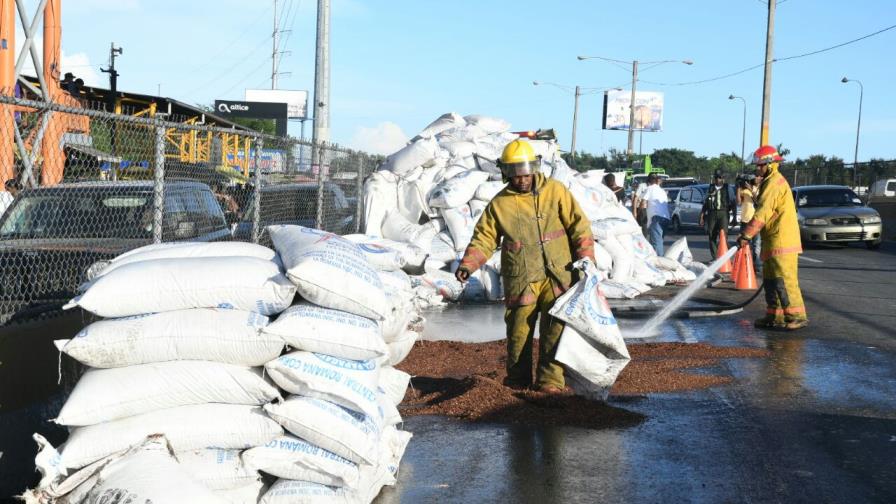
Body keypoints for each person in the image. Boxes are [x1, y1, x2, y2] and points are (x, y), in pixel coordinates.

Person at [455, 139, 594, 394]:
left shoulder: (556, 191)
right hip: (521, 277)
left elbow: (579, 226)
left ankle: (550, 382)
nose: (521, 179)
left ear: (535, 168)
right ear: (506, 172)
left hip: (558, 275)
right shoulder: (500, 204)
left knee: (555, 330)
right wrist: (468, 264)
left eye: (526, 173)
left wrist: (586, 258)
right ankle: (518, 381)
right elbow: (484, 237)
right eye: (516, 174)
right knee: (519, 332)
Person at [737, 145, 808, 330]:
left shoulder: (774, 183)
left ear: (770, 164)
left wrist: (746, 235)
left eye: (760, 165)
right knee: (771, 280)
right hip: (772, 239)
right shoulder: (768, 182)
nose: (757, 169)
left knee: (785, 280)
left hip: (782, 240)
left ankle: (797, 316)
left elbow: (763, 213)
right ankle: (774, 316)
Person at [699, 170, 735, 260]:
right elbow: (705, 203)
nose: (718, 179)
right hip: (712, 213)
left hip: (723, 213)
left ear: (723, 179)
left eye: (720, 177)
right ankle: (715, 257)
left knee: (723, 235)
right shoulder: (710, 188)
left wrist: (734, 216)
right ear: (714, 178)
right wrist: (702, 216)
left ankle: (725, 257)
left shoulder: (727, 188)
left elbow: (733, 202)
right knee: (712, 235)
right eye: (717, 177)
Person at [737, 174, 762, 273]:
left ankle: (757, 265)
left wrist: (750, 189)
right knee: (744, 243)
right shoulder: (743, 190)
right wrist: (738, 189)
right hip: (745, 220)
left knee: (756, 244)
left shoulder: (757, 189)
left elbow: (758, 201)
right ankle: (744, 264)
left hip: (755, 220)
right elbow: (739, 202)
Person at [641, 173, 670, 255]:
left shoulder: (649, 188)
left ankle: (659, 264)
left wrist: (640, 213)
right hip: (666, 218)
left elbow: (643, 202)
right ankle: (653, 261)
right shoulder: (662, 191)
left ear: (648, 182)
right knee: (656, 242)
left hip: (657, 218)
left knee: (656, 244)